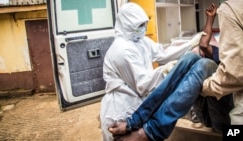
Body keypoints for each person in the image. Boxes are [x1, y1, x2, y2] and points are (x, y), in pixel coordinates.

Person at [99, 2, 216, 141]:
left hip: (140, 104)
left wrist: (190, 43)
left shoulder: (141, 41)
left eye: (144, 24)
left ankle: (142, 129)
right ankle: (142, 129)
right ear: (127, 26)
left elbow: (164, 53)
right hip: (122, 107)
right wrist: (166, 70)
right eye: (139, 26)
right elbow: (143, 84)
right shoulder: (122, 50)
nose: (143, 28)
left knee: (191, 57)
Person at [199, 0, 243, 130]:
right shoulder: (222, 52)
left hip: (227, 93)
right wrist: (210, 19)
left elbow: (234, 75)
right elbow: (203, 44)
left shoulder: (233, 56)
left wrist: (203, 88)